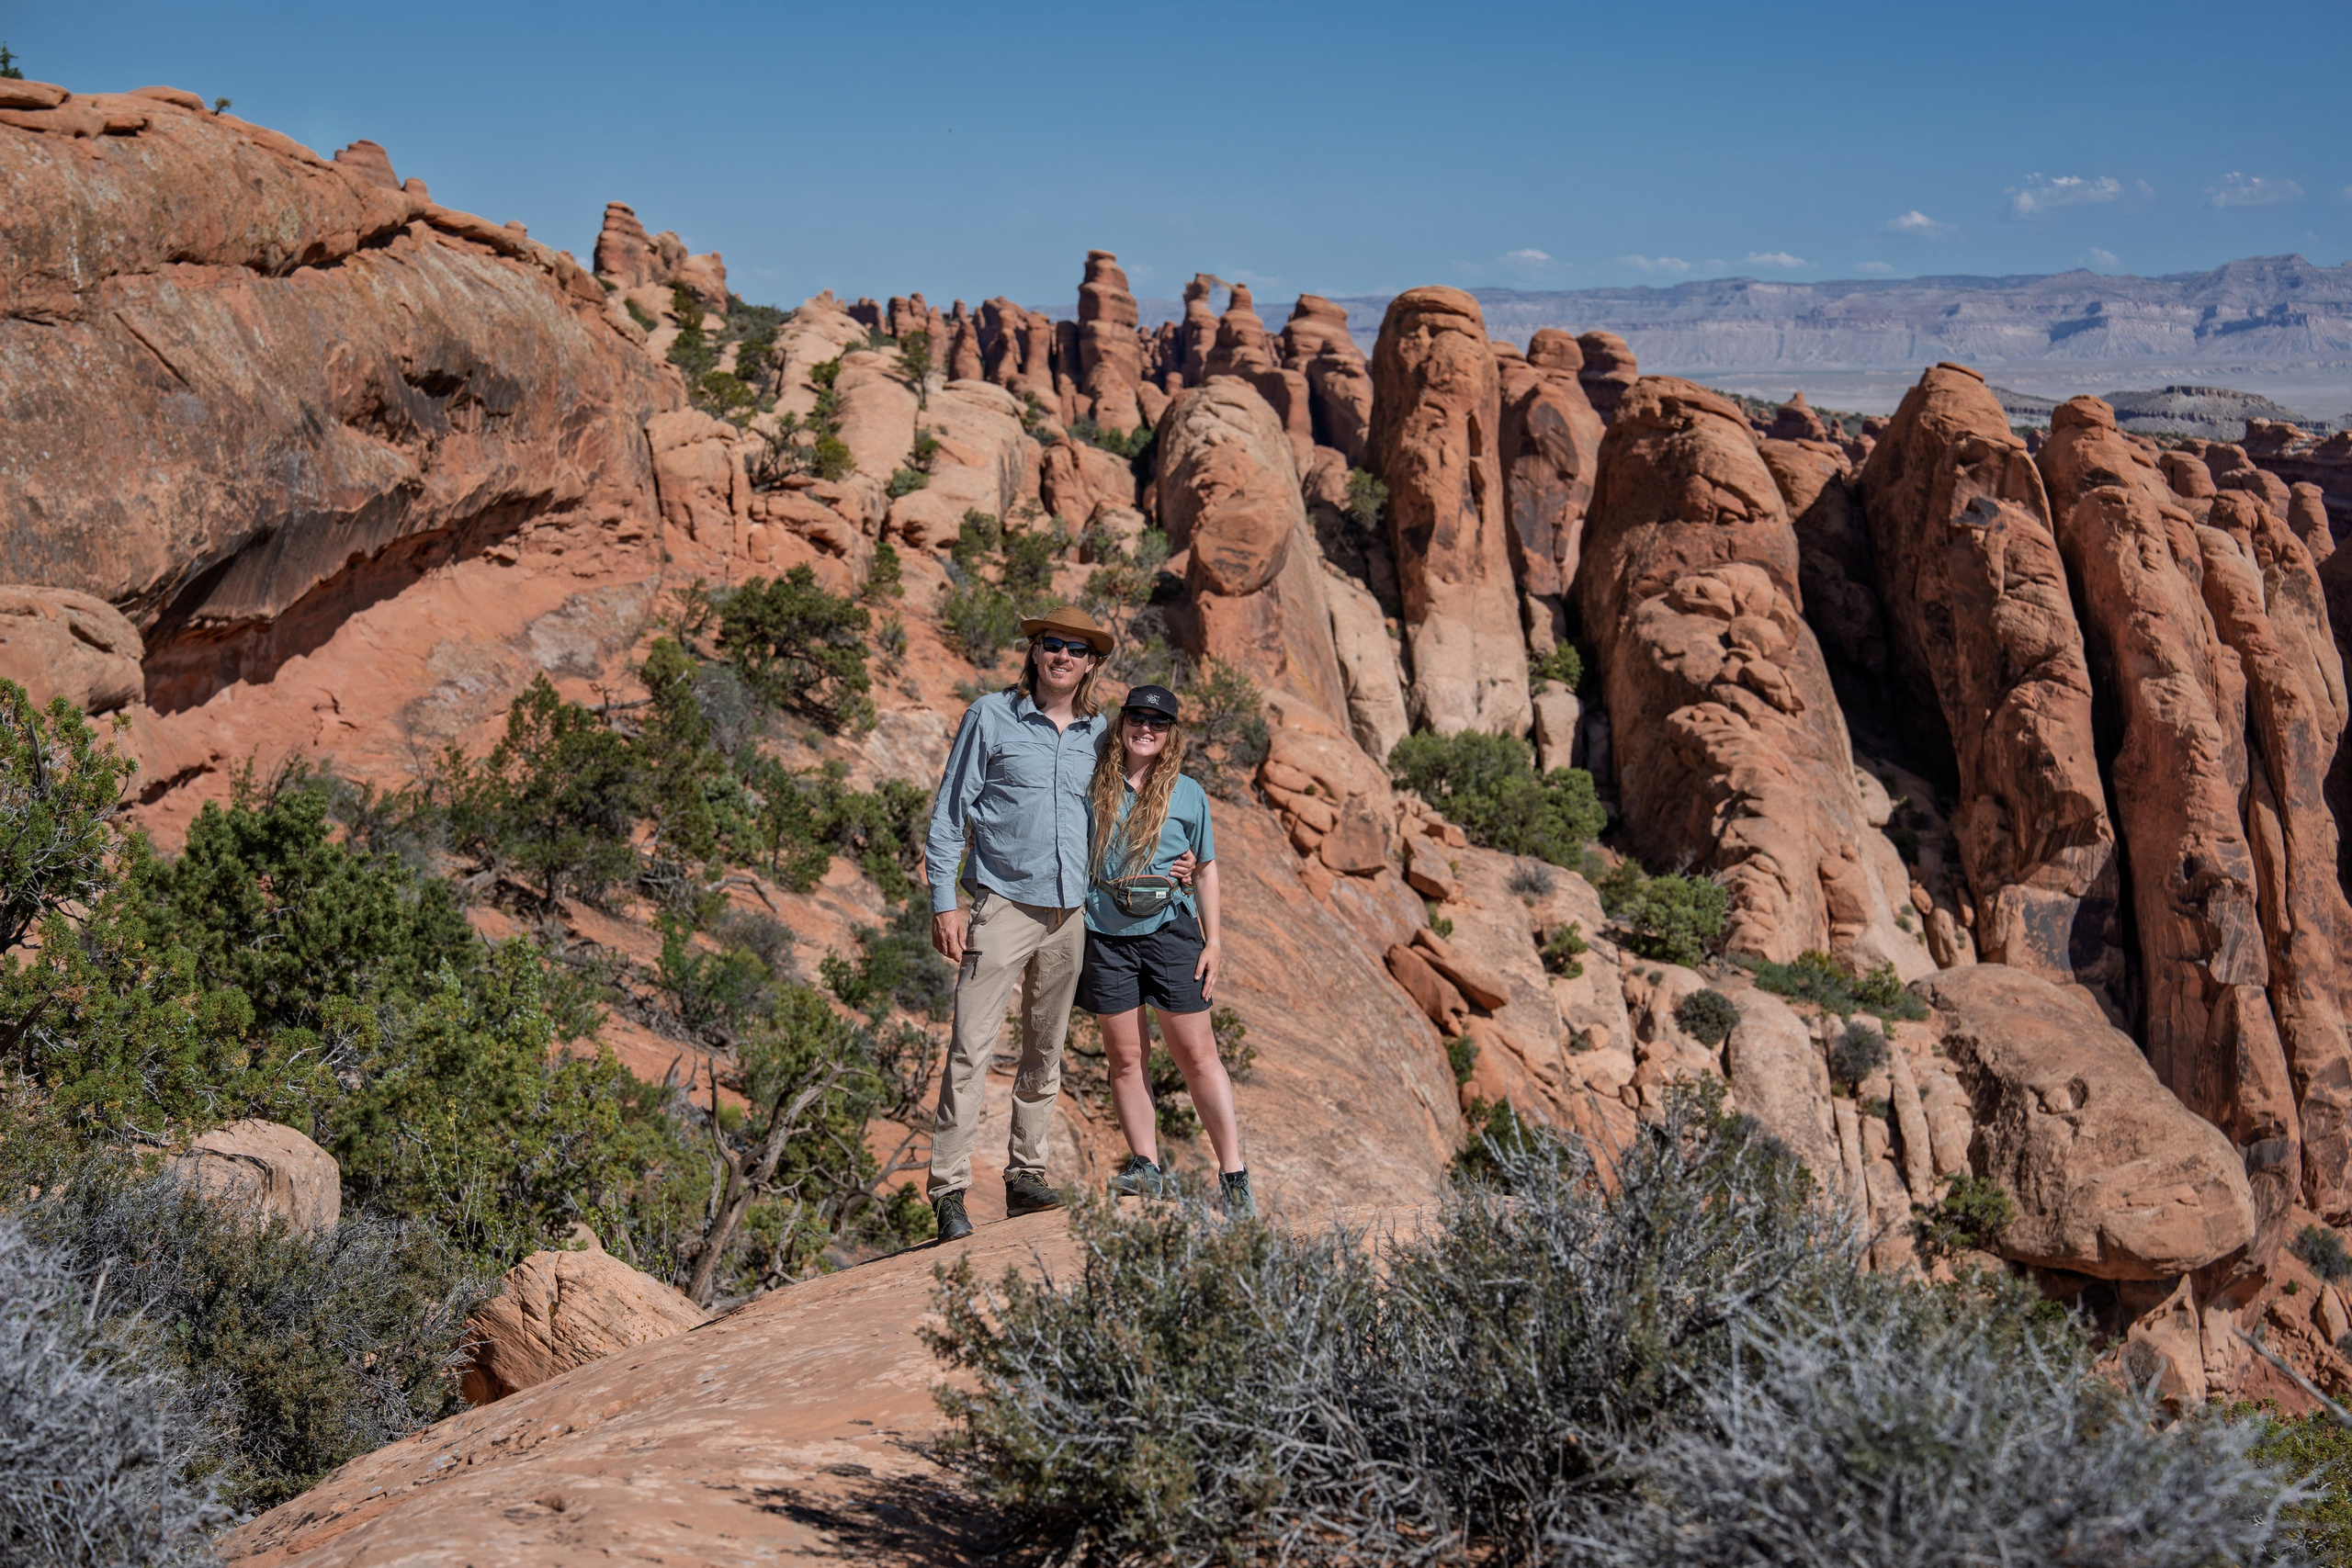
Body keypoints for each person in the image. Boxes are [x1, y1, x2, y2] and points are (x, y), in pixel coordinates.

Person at [921, 606, 1116, 1242]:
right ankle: (949, 1189)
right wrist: (943, 900)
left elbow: (1132, 809)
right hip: (1002, 904)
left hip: (1068, 913)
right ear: (1034, 652)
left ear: (1090, 664)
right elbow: (951, 812)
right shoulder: (991, 715)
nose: (1062, 656)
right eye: (1051, 644)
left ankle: (1025, 1174)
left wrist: (1185, 859)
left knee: (1045, 1049)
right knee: (971, 1047)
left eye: (1076, 649)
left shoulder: (1100, 732)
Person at [1077, 682, 1253, 1217]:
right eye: (1137, 719)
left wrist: (1214, 941)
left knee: (1198, 1057)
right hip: (1105, 937)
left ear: (1170, 733)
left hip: (1171, 934)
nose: (1145, 729)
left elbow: (1205, 868)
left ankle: (1234, 1176)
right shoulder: (1093, 783)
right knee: (1126, 1059)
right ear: (1122, 723)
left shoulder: (1187, 793)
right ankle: (1146, 1166)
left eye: (1158, 723)